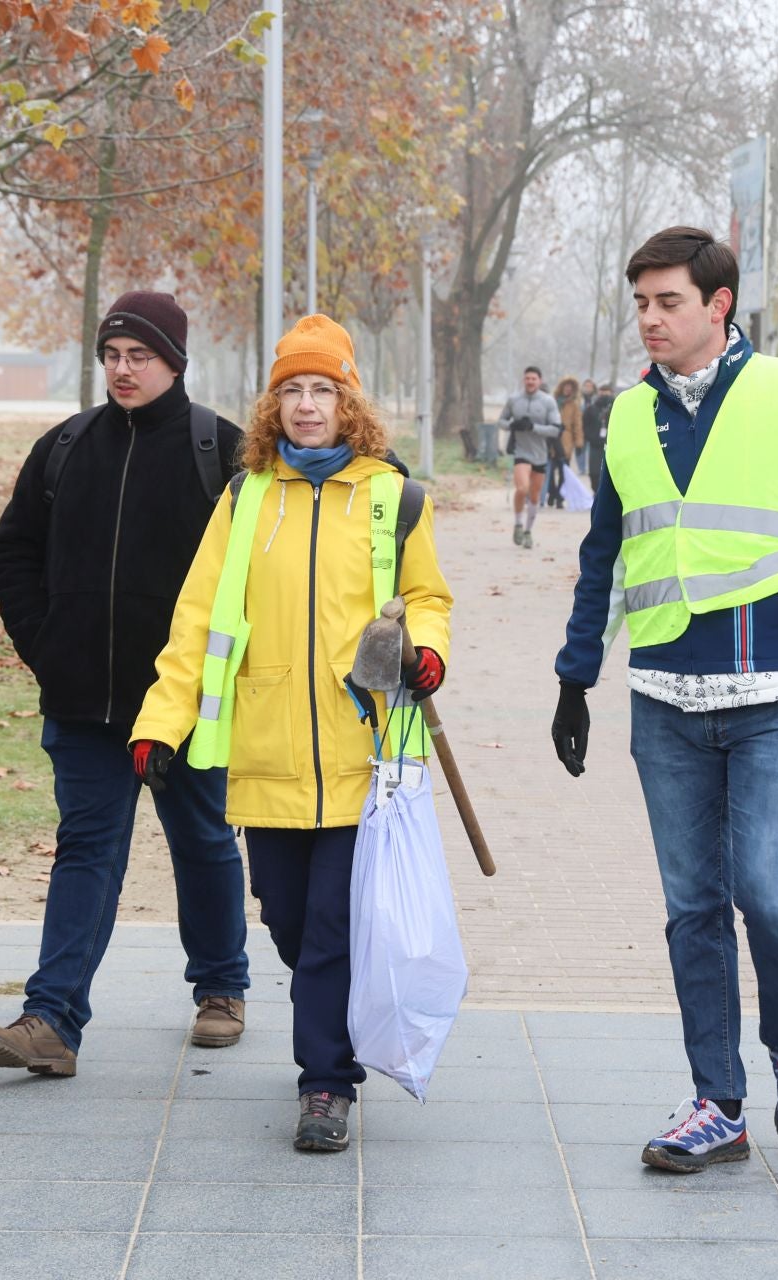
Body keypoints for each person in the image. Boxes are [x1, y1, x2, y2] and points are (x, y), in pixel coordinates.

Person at [550, 227, 778, 1173]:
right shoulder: (625, 414)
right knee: (692, 907)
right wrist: (574, 674)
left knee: (771, 899)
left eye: (668, 301)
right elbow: (605, 556)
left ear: (719, 304)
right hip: (663, 697)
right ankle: (717, 1100)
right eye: (640, 303)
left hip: (773, 694)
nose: (650, 319)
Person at [130, 314, 453, 1153]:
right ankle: (335, 1030)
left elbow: (429, 600)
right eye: (292, 391)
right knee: (284, 917)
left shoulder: (394, 497)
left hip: (366, 751)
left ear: (350, 402)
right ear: (273, 405)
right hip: (267, 753)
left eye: (323, 390)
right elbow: (198, 618)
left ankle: (325, 1084)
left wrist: (428, 654)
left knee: (331, 929)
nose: (307, 405)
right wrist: (160, 722)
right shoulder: (245, 499)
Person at [0, 291, 250, 1078]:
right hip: (83, 702)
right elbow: (12, 551)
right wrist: (45, 644)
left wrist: (213, 679)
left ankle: (222, 987)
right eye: (112, 356)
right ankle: (51, 1020)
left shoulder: (222, 452)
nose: (122, 370)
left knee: (202, 843)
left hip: (188, 705)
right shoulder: (63, 448)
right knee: (86, 849)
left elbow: (250, 578)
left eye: (141, 356)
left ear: (175, 362)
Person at [502, 366, 561, 547]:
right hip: (521, 452)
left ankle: (528, 531)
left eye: (533, 379)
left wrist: (532, 428)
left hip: (540, 454)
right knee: (522, 489)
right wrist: (513, 425)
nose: (530, 381)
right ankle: (518, 524)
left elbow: (556, 429)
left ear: (539, 381)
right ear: (523, 380)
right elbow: (501, 421)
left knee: (534, 497)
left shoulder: (548, 401)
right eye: (527, 378)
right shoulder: (514, 400)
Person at [550, 375, 584, 509]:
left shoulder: (574, 405)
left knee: (564, 470)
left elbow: (577, 424)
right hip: (552, 437)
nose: (567, 390)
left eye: (570, 388)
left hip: (566, 439)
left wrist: (579, 442)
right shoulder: (552, 401)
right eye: (566, 387)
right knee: (550, 470)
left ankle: (560, 496)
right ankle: (552, 492)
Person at [581, 379, 609, 487]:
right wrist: (590, 437)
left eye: (606, 393)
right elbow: (585, 424)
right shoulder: (591, 408)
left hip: (610, 444)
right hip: (594, 443)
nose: (604, 396)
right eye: (602, 393)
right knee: (594, 471)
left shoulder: (616, 407)